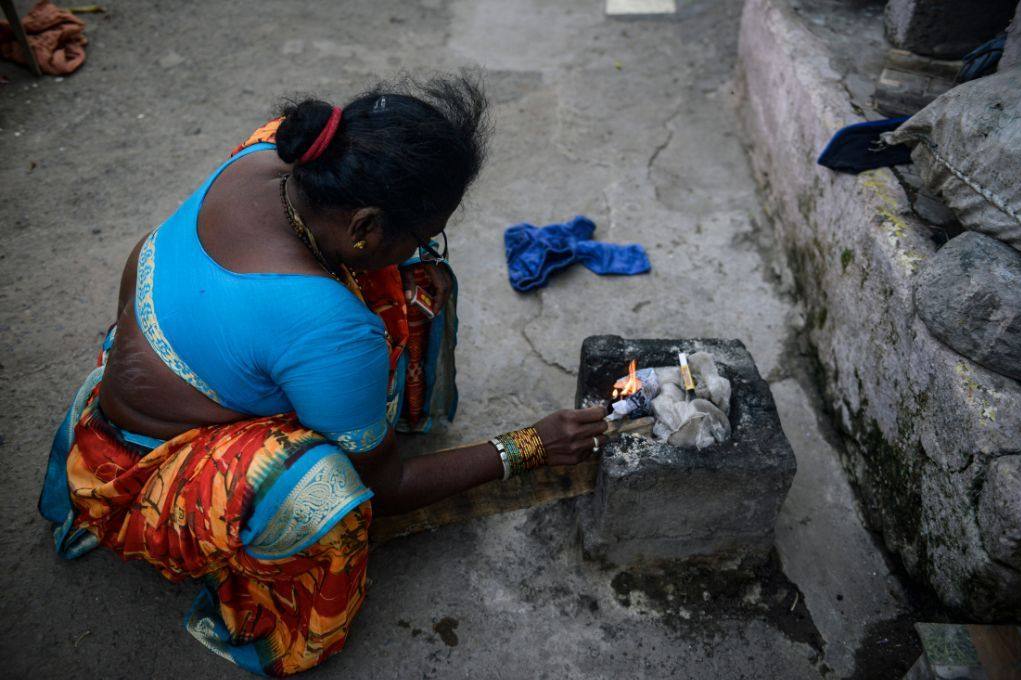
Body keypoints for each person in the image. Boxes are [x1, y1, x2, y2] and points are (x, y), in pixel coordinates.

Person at [38, 75, 609, 677]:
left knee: (411, 276)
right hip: (151, 466)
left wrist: (409, 253)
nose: (431, 242)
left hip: (163, 349)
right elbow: (387, 489)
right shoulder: (331, 326)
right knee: (322, 492)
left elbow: (355, 277)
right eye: (425, 230)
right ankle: (281, 622)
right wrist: (531, 446)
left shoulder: (271, 152)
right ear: (363, 226)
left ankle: (360, 401)